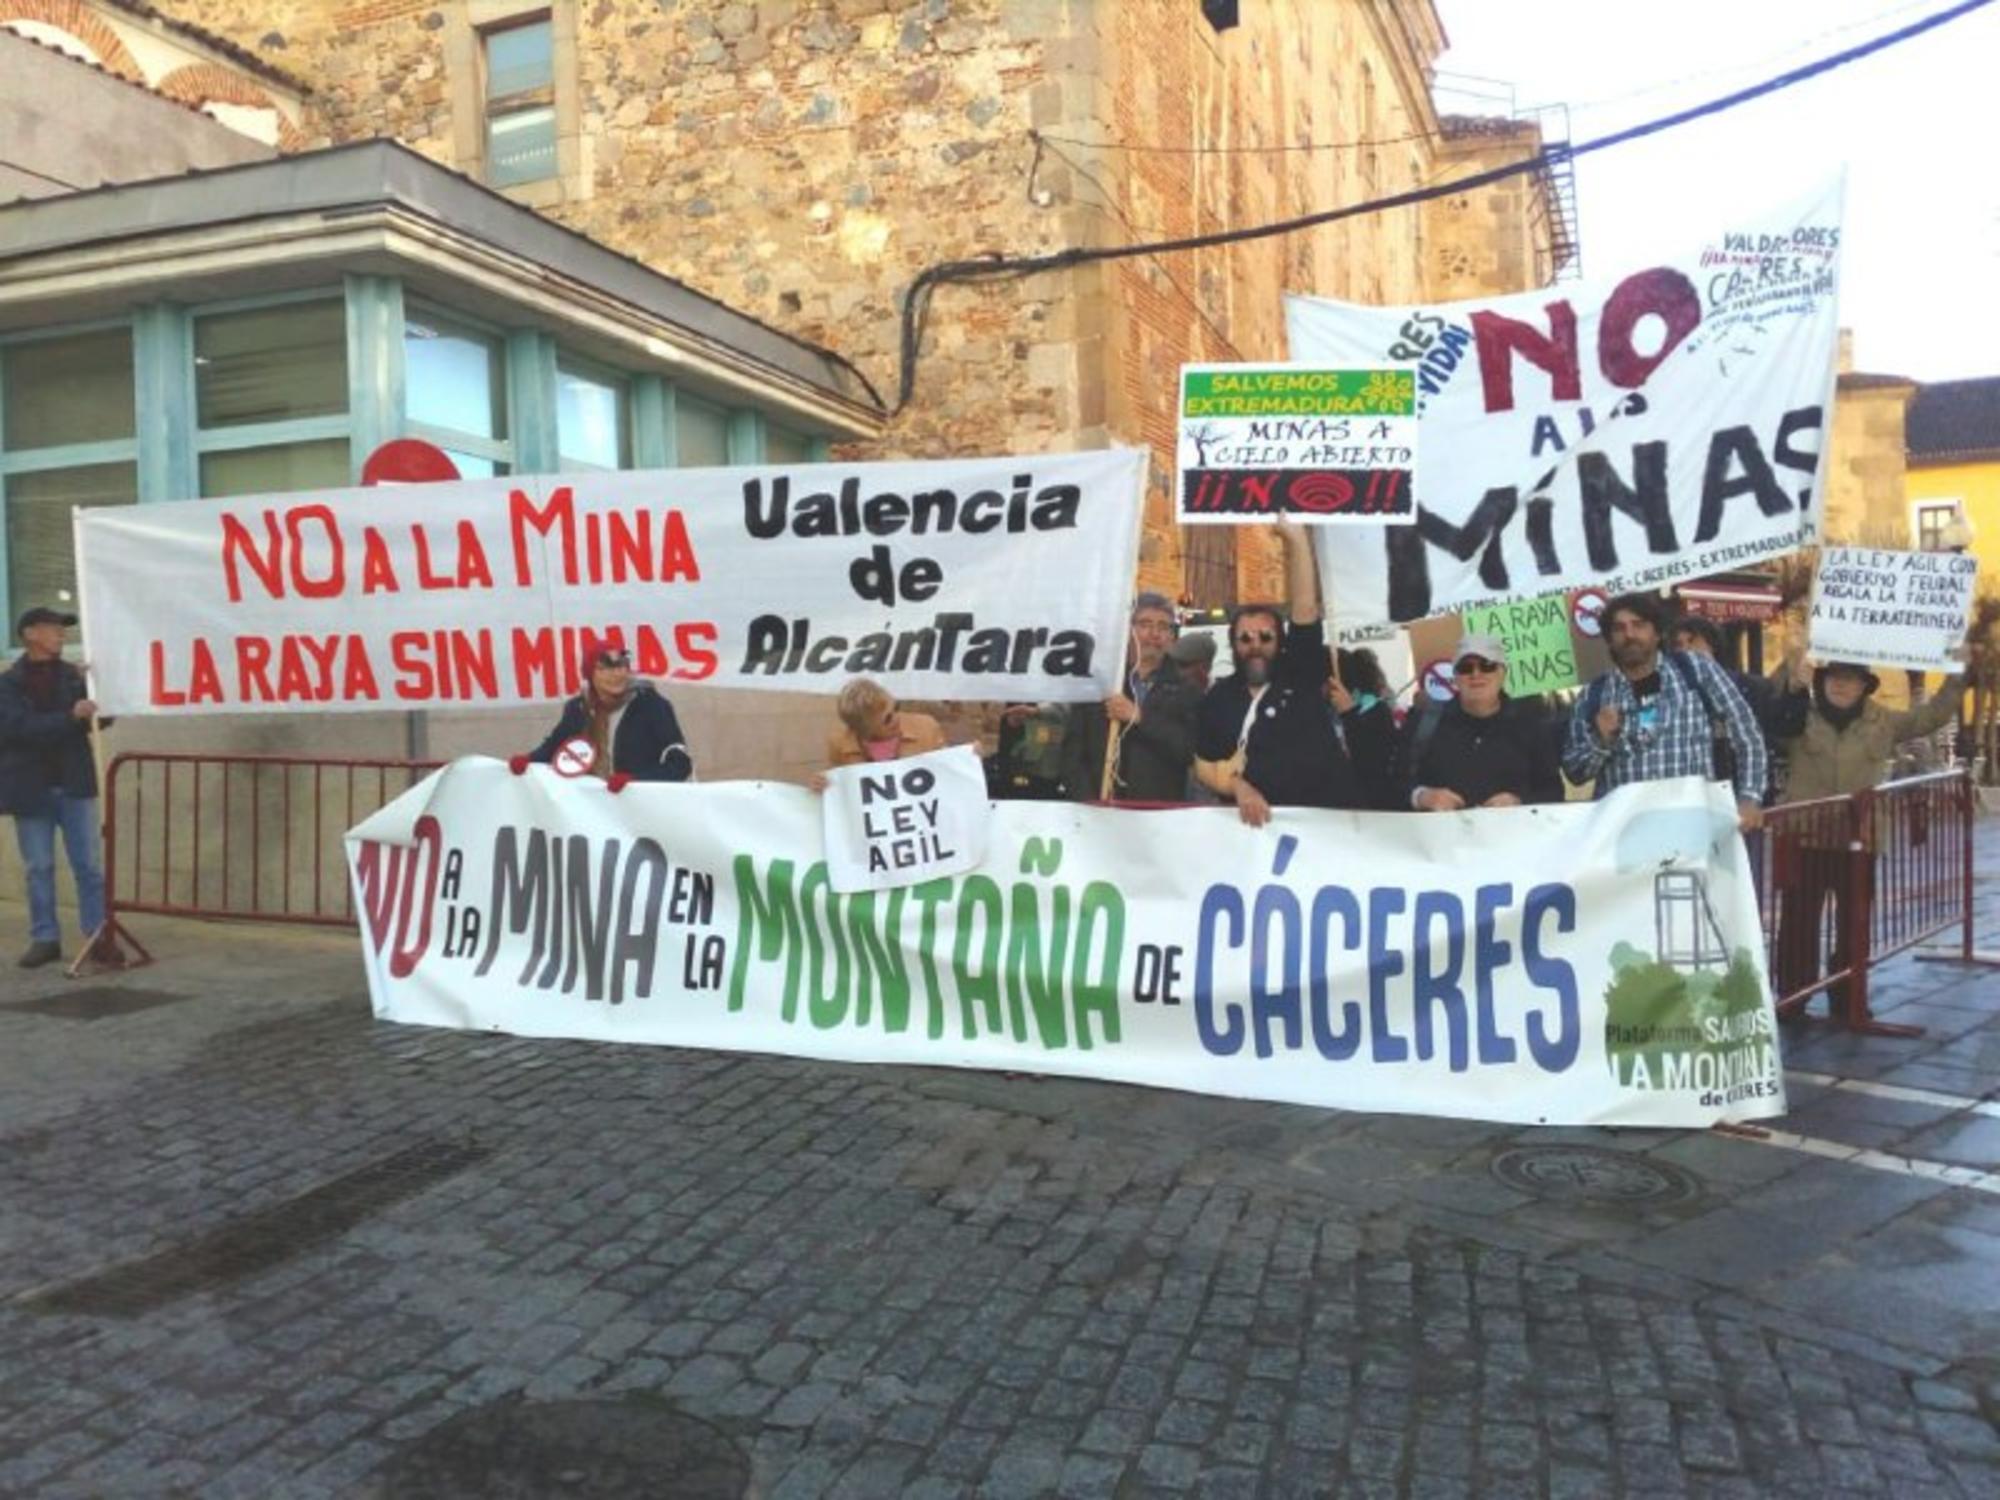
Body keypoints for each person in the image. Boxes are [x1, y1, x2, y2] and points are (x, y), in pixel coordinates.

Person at [1770, 658, 1968, 1006]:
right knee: (1797, 925)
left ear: (1865, 685)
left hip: (1860, 840)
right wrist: (1791, 669)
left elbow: (1933, 715)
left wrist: (1959, 671)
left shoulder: (1885, 721)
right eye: (1833, 677)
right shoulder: (1796, 716)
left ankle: (1849, 997)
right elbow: (1767, 707)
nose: (1840, 684)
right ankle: (1793, 995)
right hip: (1805, 836)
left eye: (1850, 678)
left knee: (1855, 926)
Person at [1195, 519, 1362, 825]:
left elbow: (1304, 608)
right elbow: (1205, 764)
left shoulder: (1300, 674)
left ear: (1280, 642)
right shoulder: (1219, 697)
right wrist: (1238, 787)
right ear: (1232, 644)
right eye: (1244, 639)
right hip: (1256, 831)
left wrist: (1296, 541)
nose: (1255, 645)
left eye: (1265, 637)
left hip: (1326, 823)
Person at [1563, 592, 1768, 831]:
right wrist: (1601, 741)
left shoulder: (1696, 669)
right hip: (1624, 837)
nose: (1629, 635)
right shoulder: (1593, 695)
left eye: (1639, 625)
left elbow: (1747, 734)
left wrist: (1750, 798)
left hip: (1694, 828)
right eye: (1619, 628)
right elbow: (1574, 772)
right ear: (1609, 640)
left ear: (1657, 633)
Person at [0, 606, 119, 969]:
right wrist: (70, 716)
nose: (60, 634)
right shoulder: (8, 683)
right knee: (39, 866)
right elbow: (19, 728)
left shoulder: (72, 677)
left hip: (73, 783)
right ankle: (45, 937)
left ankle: (97, 935)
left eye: (61, 629)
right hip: (31, 787)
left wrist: (101, 691)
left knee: (89, 865)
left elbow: (102, 719)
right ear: (30, 634)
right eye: (53, 628)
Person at [1399, 635, 1564, 811]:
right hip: (1442, 836)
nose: (1476, 674)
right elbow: (1393, 783)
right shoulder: (1425, 724)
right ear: (1455, 677)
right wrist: (1421, 796)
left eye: (1487, 666)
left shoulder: (1530, 726)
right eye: (1465, 668)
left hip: (1513, 835)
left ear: (1502, 673)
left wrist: (1519, 801)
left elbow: (1553, 791)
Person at [1064, 592, 1197, 804]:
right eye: (1145, 624)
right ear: (1127, 630)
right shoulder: (1099, 684)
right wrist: (1089, 802)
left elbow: (1189, 750)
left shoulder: (1187, 690)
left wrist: (1140, 718)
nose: (1154, 634)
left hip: (1157, 814)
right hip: (1098, 813)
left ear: (1172, 637)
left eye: (1164, 627)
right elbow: (1073, 754)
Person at [512, 643, 693, 788]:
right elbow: (555, 745)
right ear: (591, 675)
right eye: (604, 668)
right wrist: (527, 760)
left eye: (621, 666)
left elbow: (680, 765)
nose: (616, 674)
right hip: (596, 808)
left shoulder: (652, 705)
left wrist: (634, 781)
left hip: (639, 807)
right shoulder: (579, 708)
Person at [1670, 614, 1806, 801]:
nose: (1686, 650)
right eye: (1679, 645)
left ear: (1713, 646)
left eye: (1693, 641)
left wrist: (1794, 690)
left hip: (1745, 797)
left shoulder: (1753, 687)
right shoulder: (1669, 694)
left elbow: (1784, 726)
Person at [819, 678, 946, 782]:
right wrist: (823, 784)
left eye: (896, 708)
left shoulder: (926, 727)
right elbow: (839, 785)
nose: (897, 718)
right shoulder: (840, 743)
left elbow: (947, 770)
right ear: (865, 729)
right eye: (887, 719)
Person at [1167, 629, 1217, 696]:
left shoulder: (1222, 697)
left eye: (1183, 665)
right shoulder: (1169, 696)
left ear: (1204, 667)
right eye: (1173, 664)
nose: (1177, 671)